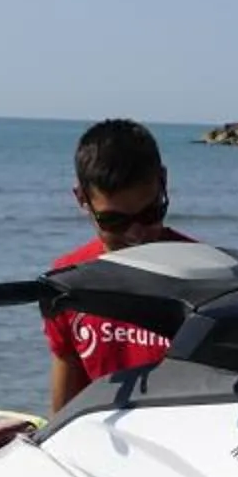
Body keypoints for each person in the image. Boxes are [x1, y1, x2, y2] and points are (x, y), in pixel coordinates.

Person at [44, 119, 194, 413]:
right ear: (81, 199)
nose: (136, 233)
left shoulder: (209, 277)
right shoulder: (68, 282)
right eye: (115, 221)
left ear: (163, 182)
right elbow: (63, 401)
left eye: (151, 213)